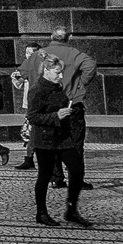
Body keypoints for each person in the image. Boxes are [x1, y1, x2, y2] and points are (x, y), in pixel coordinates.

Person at [27, 54, 89, 226]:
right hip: (44, 139)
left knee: (77, 170)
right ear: (46, 71)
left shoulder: (57, 86)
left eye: (61, 72)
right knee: (45, 176)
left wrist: (69, 112)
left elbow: (60, 105)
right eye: (57, 72)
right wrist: (56, 115)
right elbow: (32, 116)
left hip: (62, 138)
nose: (60, 76)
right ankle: (41, 213)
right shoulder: (37, 90)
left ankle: (71, 210)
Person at [40, 27, 98, 191]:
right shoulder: (75, 53)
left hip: (49, 105)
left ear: (51, 36)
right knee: (76, 143)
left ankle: (56, 178)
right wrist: (81, 83)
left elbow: (27, 72)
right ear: (68, 37)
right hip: (72, 104)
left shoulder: (42, 53)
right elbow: (91, 66)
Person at [11, 42, 43, 171]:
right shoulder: (27, 65)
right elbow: (18, 84)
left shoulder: (40, 65)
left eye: (30, 53)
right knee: (30, 131)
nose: (28, 55)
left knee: (35, 131)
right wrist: (15, 77)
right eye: (26, 53)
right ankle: (29, 158)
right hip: (30, 103)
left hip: (39, 103)